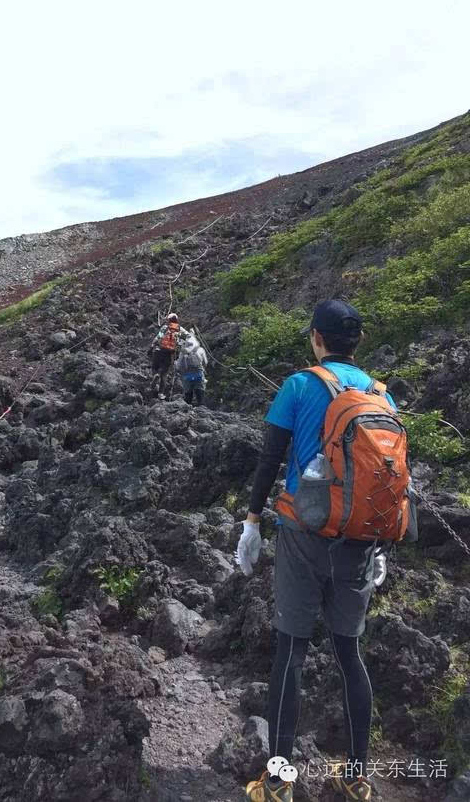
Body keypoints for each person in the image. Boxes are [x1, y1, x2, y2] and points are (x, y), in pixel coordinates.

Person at [238, 300, 398, 802]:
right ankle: (355, 777)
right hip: (359, 540)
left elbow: (270, 457)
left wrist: (251, 520)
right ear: (358, 342)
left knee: (291, 651)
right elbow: (389, 478)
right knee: (349, 653)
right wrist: (379, 542)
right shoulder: (380, 395)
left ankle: (280, 782)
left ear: (316, 338)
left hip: (303, 534)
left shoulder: (299, 385)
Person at [149, 312, 189, 400]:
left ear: (168, 320)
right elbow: (187, 338)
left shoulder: (165, 327)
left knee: (154, 368)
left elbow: (158, 337)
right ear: (177, 320)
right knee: (164, 374)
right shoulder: (180, 330)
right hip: (169, 354)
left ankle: (156, 374)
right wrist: (178, 351)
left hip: (159, 351)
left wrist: (152, 346)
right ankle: (161, 393)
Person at [175, 333, 208, 406]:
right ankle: (201, 406)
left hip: (187, 375)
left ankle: (187, 408)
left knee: (188, 393)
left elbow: (178, 365)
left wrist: (178, 370)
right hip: (198, 373)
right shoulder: (200, 349)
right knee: (200, 391)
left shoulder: (183, 351)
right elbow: (205, 362)